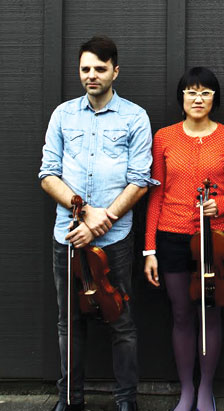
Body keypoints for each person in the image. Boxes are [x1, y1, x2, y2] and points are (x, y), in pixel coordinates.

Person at [39, 35, 154, 411]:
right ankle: (70, 401)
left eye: (100, 69)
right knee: (69, 323)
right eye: (85, 68)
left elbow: (140, 180)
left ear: (115, 71)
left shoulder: (135, 117)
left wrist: (104, 220)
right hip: (68, 235)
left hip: (115, 238)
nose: (91, 75)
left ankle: (126, 401)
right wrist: (84, 210)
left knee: (121, 321)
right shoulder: (63, 115)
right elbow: (47, 174)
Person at [143, 67, 224, 411]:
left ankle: (206, 390)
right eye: (191, 92)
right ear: (181, 97)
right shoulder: (164, 137)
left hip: (215, 239)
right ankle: (186, 389)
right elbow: (155, 194)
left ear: (215, 98)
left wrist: (222, 203)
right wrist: (149, 248)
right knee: (182, 314)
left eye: (205, 92)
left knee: (210, 313)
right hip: (171, 235)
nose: (198, 99)